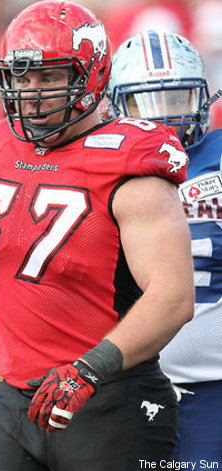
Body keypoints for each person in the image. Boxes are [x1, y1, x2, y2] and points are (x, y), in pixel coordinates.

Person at [0, 3, 195, 471]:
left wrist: (90, 369)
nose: (32, 94)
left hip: (111, 400)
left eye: (49, 78)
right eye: (22, 79)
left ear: (91, 73)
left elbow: (172, 297)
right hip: (14, 399)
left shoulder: (131, 160)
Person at [108, 29, 222, 469]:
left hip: (212, 382)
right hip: (128, 380)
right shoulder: (105, 162)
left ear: (201, 98)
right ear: (118, 107)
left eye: (176, 99)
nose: (164, 119)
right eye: (145, 104)